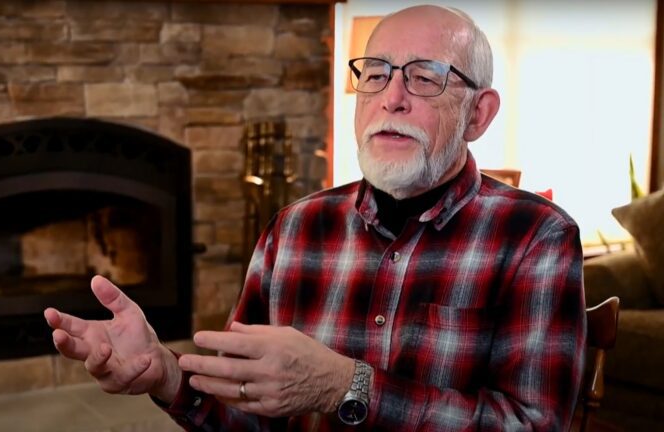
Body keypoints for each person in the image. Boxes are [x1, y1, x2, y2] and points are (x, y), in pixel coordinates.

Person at [44, 5, 586, 431]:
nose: (391, 98)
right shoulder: (295, 229)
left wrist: (347, 387)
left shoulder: (537, 238)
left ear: (479, 114)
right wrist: (163, 373)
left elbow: (533, 425)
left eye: (425, 78)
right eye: (375, 74)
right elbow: (248, 417)